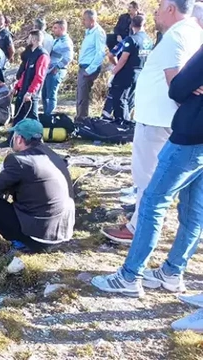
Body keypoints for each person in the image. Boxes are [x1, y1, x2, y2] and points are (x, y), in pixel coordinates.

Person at [92, 33, 203, 301]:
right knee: (193, 209)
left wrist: (188, 84)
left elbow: (176, 88)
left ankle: (130, 276)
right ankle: (172, 273)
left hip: (189, 136)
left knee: (153, 202)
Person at [101, 0, 203, 245]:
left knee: (147, 177)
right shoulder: (194, 32)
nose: (155, 12)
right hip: (168, 120)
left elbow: (177, 83)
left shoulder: (177, 36)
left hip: (158, 120)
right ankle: (145, 221)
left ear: (170, 8)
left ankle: (138, 228)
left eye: (159, 7)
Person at [0, 119, 75, 253]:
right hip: (64, 233)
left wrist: (2, 174)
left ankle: (21, 244)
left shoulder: (18, 160)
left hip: (40, 239)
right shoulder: (52, 155)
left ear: (19, 139)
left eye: (13, 136)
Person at [0, 30, 50, 148]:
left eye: (29, 38)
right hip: (23, 91)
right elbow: (25, 73)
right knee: (17, 118)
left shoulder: (42, 55)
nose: (27, 40)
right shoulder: (31, 54)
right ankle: (10, 141)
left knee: (33, 118)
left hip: (31, 94)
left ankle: (38, 144)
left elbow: (39, 77)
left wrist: (31, 92)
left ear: (34, 39)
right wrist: (16, 87)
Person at [101, 15, 152, 122]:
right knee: (131, 99)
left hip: (127, 73)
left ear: (131, 25)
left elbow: (122, 58)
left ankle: (122, 123)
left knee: (120, 99)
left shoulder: (131, 39)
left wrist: (114, 71)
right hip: (140, 72)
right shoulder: (148, 40)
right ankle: (128, 122)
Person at [76, 9, 106, 121]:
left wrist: (89, 70)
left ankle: (82, 122)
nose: (83, 22)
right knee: (80, 96)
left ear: (92, 20)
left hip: (89, 68)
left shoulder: (98, 32)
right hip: (83, 67)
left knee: (83, 97)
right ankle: (79, 120)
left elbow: (100, 53)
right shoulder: (89, 32)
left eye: (84, 20)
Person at [42, 20, 74, 115]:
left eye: (55, 28)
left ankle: (48, 116)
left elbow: (68, 57)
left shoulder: (66, 42)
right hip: (49, 70)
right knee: (44, 95)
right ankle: (45, 115)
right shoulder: (56, 40)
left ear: (62, 28)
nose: (53, 30)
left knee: (50, 95)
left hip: (55, 71)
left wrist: (58, 67)